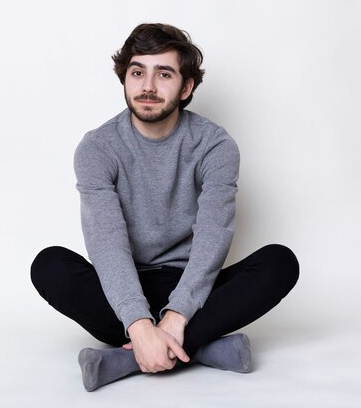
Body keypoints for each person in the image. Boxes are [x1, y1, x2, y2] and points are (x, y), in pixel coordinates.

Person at [30, 23, 299, 392]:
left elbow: (212, 236)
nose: (148, 87)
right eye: (137, 72)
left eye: (164, 74)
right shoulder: (97, 148)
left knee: (280, 262)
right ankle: (199, 348)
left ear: (186, 87)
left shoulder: (215, 145)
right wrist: (139, 322)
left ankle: (127, 359)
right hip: (125, 284)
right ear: (125, 80)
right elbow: (106, 244)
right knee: (49, 265)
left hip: (193, 285)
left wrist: (176, 316)